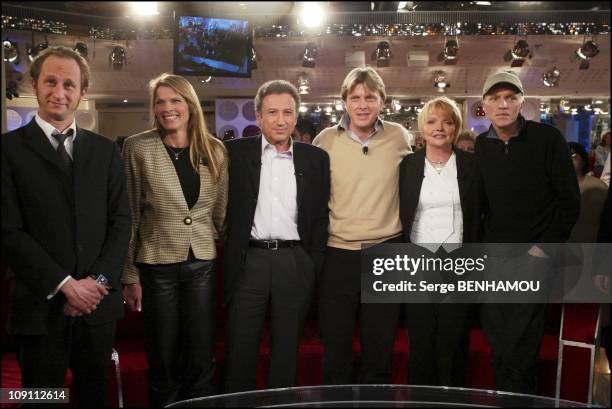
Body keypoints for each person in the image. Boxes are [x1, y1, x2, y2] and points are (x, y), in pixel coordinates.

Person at [1, 46, 131, 407]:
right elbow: (8, 230)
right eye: (51, 82)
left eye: (69, 84)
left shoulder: (106, 151)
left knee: (94, 397)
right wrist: (66, 286)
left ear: (82, 92)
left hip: (97, 307)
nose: (59, 92)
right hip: (40, 307)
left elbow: (121, 223)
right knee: (43, 398)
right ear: (35, 84)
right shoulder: (8, 150)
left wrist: (96, 284)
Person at [121, 73, 228, 407]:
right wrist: (129, 275)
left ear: (190, 105)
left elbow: (220, 214)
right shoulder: (137, 147)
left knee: (200, 355)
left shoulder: (215, 150)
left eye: (175, 100)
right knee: (163, 358)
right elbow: (129, 215)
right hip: (156, 268)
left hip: (202, 265)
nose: (167, 108)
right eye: (160, 102)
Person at [475, 71, 580, 394]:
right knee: (498, 339)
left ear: (522, 102)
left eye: (510, 98)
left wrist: (542, 250)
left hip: (533, 258)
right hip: (493, 260)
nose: (503, 105)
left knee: (522, 345)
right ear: (484, 105)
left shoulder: (547, 139)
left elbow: (569, 202)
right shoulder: (481, 145)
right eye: (495, 98)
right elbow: (482, 205)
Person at [223, 80, 330, 392]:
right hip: (249, 260)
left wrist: (312, 263)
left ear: (296, 117)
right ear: (258, 116)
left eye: (287, 112)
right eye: (272, 112)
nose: (281, 120)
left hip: (295, 261)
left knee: (287, 350)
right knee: (240, 348)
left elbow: (321, 216)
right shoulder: (233, 154)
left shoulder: (315, 159)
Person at [312, 66, 412, 384]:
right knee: (336, 350)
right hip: (337, 254)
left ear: (382, 102)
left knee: (379, 350)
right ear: (344, 102)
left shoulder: (399, 136)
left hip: (387, 252)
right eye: (355, 97)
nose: (362, 103)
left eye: (370, 96)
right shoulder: (324, 140)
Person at [399, 97, 482, 387]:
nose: (439, 128)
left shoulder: (472, 164)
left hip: (459, 264)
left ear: (456, 128)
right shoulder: (407, 165)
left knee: (453, 343)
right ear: (422, 127)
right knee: (420, 344)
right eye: (432, 121)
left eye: (447, 122)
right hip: (418, 263)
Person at [567, 142, 608, 243]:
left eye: (573, 156)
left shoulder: (598, 187)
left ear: (584, 160)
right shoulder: (553, 186)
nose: (567, 159)